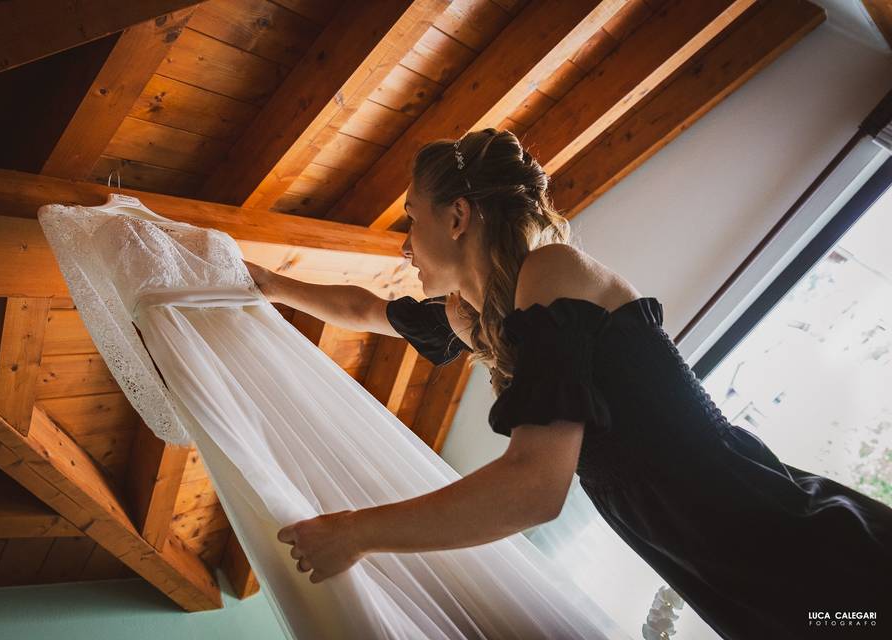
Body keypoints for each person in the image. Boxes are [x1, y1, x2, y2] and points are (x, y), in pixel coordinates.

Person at [249, 128, 892, 639]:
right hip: (734, 590)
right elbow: (366, 310)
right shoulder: (485, 320)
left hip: (808, 556)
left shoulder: (554, 272)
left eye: (410, 218)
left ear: (458, 217)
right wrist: (270, 284)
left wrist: (355, 532)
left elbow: (533, 488)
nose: (403, 246)